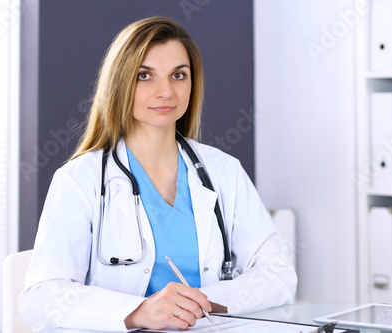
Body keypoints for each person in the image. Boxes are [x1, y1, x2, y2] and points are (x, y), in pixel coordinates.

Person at [19, 16, 297, 332]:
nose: (165, 91)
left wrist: (199, 301)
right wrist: (139, 312)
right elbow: (41, 299)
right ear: (120, 82)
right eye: (145, 75)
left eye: (178, 75)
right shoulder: (80, 179)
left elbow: (279, 273)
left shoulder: (223, 171)